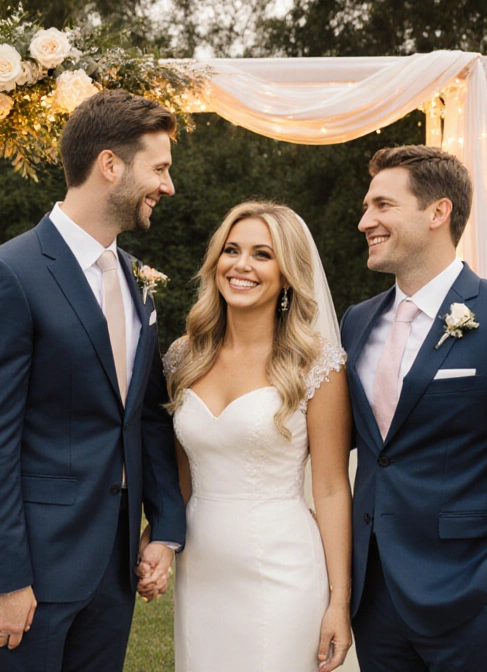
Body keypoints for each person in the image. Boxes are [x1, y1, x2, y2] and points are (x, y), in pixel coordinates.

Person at [0, 90, 187, 672]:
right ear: (110, 165)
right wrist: (4, 578)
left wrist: (165, 526)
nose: (168, 186)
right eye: (159, 168)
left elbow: (144, 414)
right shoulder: (9, 274)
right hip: (34, 574)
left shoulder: (138, 278)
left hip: (112, 569)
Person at [343, 145, 487, 672]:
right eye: (366, 207)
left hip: (470, 601)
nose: (365, 221)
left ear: (438, 212)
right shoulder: (356, 322)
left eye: (382, 205)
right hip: (374, 598)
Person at [163, 201, 354, 672]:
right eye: (232, 250)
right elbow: (181, 479)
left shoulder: (317, 364)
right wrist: (159, 542)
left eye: (262, 254)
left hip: (282, 567)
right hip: (202, 568)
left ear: (287, 274)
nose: (241, 265)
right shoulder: (183, 356)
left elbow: (330, 488)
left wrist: (339, 601)